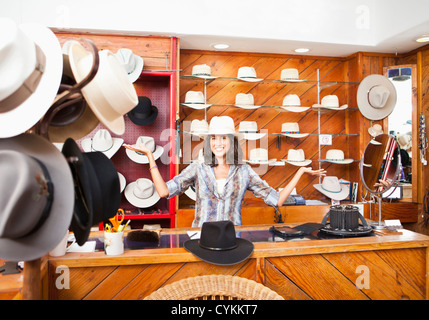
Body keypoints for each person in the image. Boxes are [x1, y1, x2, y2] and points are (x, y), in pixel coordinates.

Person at [124, 116, 326, 227]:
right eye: (213, 138)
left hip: (233, 238)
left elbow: (277, 200)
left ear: (232, 141)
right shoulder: (198, 167)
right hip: (200, 238)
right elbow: (164, 192)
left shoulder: (244, 171)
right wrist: (151, 157)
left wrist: (299, 172)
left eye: (223, 138)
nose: (218, 143)